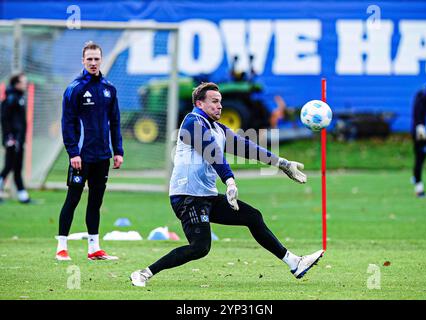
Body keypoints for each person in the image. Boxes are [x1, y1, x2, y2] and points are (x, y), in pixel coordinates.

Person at [130, 82, 323, 287]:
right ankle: (143, 273)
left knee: (252, 216)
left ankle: (295, 263)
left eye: (220, 102)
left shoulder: (218, 128)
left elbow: (247, 147)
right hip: (187, 197)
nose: (220, 106)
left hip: (206, 196)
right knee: (200, 248)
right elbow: (212, 152)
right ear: (199, 104)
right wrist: (229, 180)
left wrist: (281, 163)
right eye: (214, 102)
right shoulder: (192, 122)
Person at [55, 41, 124, 261]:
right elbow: (67, 123)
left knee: (96, 201)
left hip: (103, 156)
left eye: (96, 59)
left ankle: (94, 248)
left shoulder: (109, 89)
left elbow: (115, 122)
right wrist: (73, 152)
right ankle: (61, 247)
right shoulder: (74, 88)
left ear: (101, 60)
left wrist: (118, 151)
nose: (93, 63)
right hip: (81, 157)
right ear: (83, 61)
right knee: (72, 199)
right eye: (89, 59)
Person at [0, 73, 31, 204]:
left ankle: (23, 196)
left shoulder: (20, 97)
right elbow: (4, 119)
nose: (26, 84)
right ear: (16, 83)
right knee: (8, 167)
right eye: (23, 82)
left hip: (19, 139)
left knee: (17, 168)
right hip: (12, 140)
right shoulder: (11, 98)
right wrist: (9, 138)